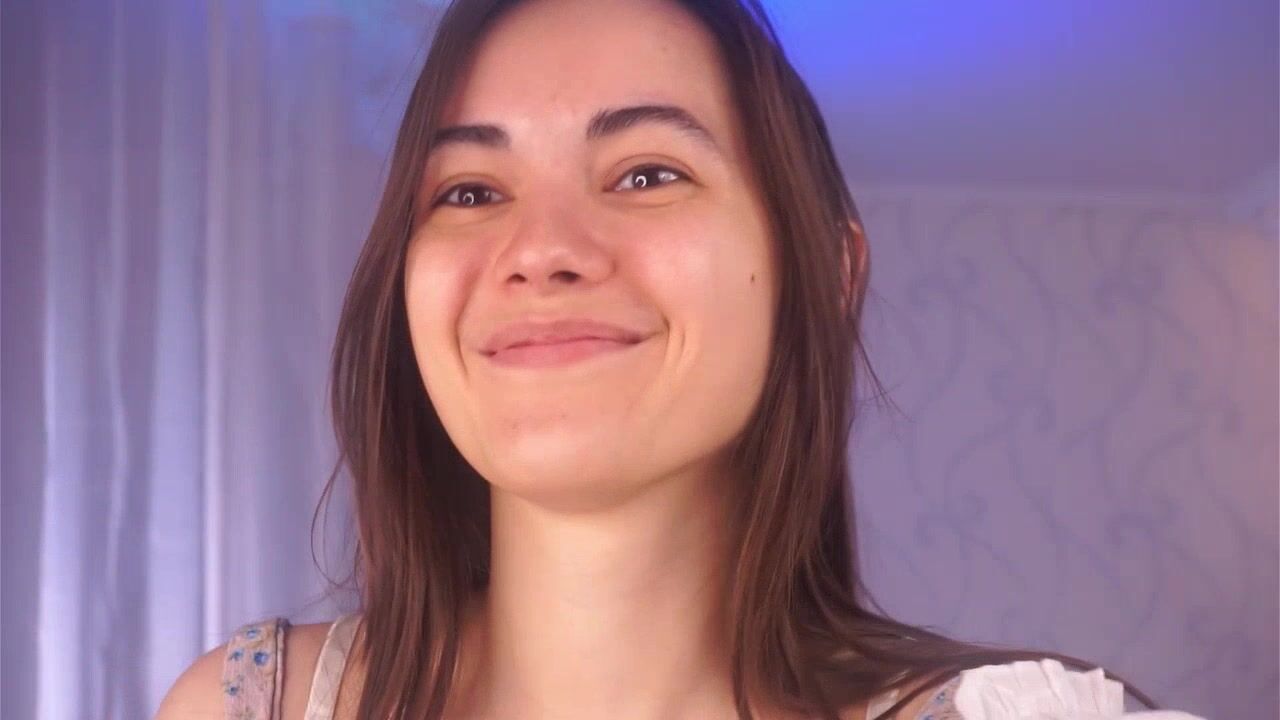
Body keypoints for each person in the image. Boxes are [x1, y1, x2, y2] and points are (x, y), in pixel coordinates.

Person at [156, 1, 1208, 718]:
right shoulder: (242, 706)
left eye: (646, 174)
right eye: (470, 191)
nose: (540, 250)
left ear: (823, 273)